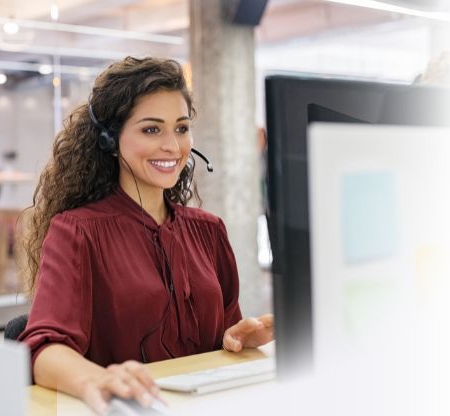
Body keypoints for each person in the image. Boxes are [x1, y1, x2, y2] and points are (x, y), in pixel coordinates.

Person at [18, 56, 274, 414]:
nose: (172, 145)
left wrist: (238, 338)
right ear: (110, 139)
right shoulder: (77, 231)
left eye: (181, 128)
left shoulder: (208, 230)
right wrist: (96, 379)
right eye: (151, 129)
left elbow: (224, 333)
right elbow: (43, 349)